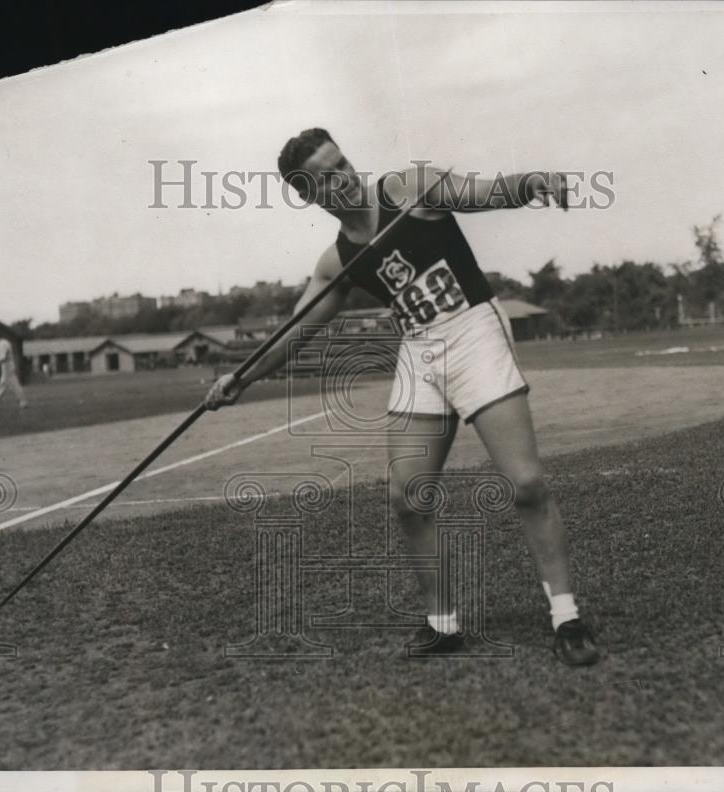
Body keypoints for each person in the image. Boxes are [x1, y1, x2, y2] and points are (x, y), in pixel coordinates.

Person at [205, 128, 599, 665]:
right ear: (308, 194)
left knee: (526, 483)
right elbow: (295, 330)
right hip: (419, 350)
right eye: (325, 178)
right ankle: (443, 625)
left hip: (472, 332)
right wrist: (241, 378)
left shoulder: (411, 188)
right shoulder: (337, 260)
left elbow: (486, 192)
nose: (343, 179)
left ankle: (567, 616)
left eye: (341, 163)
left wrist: (537, 182)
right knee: (408, 496)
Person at [0, 333, 27, 409]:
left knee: (3, 385)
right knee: (14, 385)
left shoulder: (2, 344)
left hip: (6, 366)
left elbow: (3, 357)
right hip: (9, 365)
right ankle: (23, 402)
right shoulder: (6, 342)